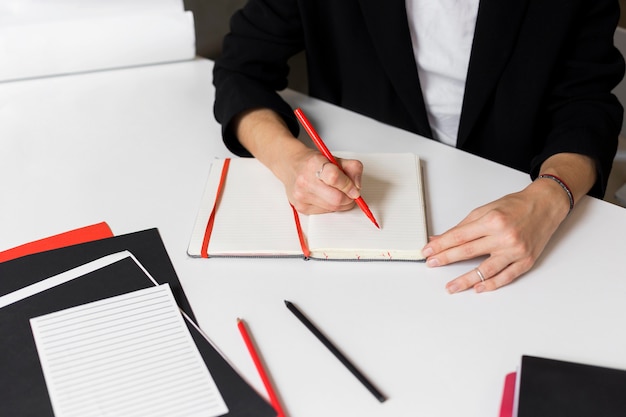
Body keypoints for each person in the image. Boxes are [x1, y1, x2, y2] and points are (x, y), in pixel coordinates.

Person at [212, 0, 625, 293]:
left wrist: (551, 196)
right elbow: (240, 69)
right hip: (364, 210)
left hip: (512, 191)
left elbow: (587, 105)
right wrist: (292, 163)